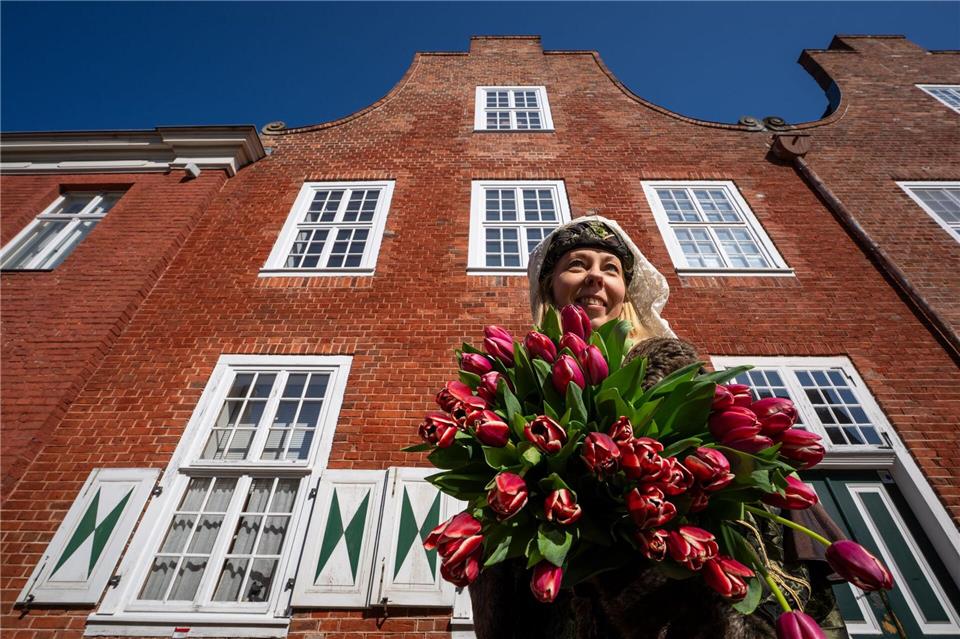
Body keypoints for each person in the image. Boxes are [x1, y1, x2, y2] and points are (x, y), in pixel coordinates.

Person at [469, 216, 846, 638]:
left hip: (697, 607)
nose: (595, 275)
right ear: (550, 288)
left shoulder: (678, 379)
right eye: (577, 264)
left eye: (610, 268)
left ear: (625, 294)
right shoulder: (519, 395)